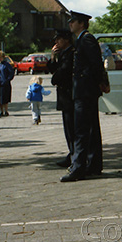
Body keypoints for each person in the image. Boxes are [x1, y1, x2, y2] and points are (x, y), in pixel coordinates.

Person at [61, 11, 110, 182]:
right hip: (85, 89)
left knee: (81, 130)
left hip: (85, 90)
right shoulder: (82, 39)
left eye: (73, 21)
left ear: (81, 23)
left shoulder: (86, 39)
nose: (70, 24)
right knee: (90, 129)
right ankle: (93, 165)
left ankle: (79, 167)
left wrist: (99, 82)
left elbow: (96, 64)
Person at [48, 29, 75, 168]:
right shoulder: (63, 54)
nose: (56, 42)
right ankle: (72, 154)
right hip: (64, 96)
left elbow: (62, 73)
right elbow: (52, 69)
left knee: (72, 128)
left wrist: (55, 79)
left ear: (66, 40)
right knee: (68, 128)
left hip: (70, 95)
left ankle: (74, 155)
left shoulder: (71, 53)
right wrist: (53, 56)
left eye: (59, 39)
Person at [0, 50, 15, 117]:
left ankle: (6, 111)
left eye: (1, 57)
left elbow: (11, 73)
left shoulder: (7, 65)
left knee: (5, 98)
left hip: (5, 84)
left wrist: (7, 80)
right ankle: (1, 111)